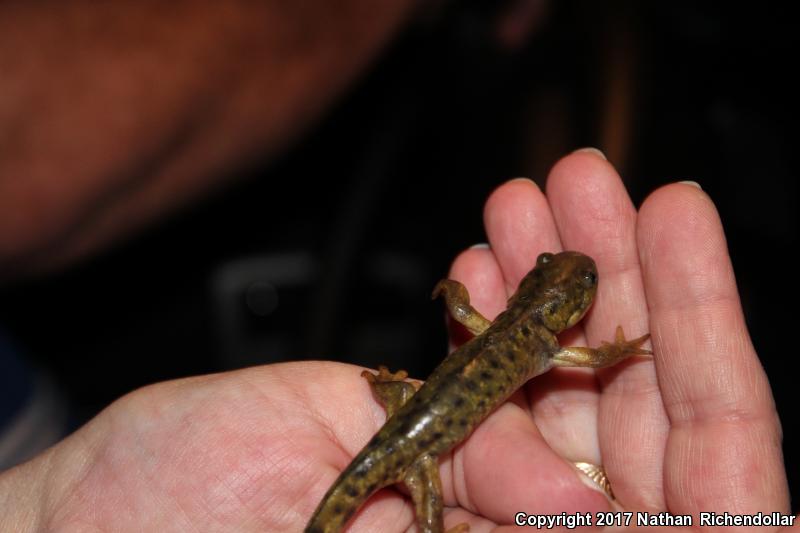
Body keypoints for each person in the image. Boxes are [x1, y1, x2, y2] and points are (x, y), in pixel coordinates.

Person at [0, 151, 793, 530]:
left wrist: (454, 297)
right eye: (564, 283)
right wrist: (619, 350)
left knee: (407, 411)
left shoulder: (521, 335)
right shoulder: (542, 343)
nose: (572, 291)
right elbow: (584, 354)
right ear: (546, 305)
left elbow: (494, 327)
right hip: (408, 445)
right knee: (422, 493)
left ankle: (394, 405)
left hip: (404, 429)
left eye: (571, 286)